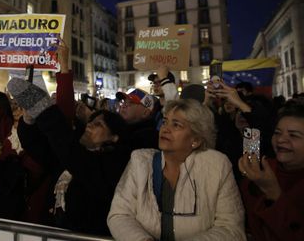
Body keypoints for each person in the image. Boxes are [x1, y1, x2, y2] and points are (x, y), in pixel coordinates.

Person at [107, 99, 245, 241]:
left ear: (196, 139)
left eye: (176, 125)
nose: (165, 129)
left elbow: (230, 228)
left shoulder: (217, 165)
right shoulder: (140, 162)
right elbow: (120, 215)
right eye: (165, 122)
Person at [8, 77, 130, 236]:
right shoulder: (71, 156)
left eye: (98, 124)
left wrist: (44, 108)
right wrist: (29, 120)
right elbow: (38, 148)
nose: (90, 125)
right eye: (90, 121)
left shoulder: (110, 166)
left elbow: (74, 155)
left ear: (114, 137)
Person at [238, 99, 304, 241]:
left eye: (293, 135)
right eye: (277, 133)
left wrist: (273, 192)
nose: (281, 140)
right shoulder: (264, 168)